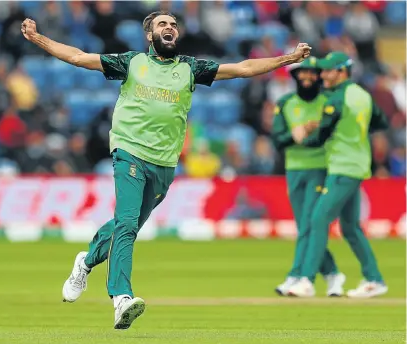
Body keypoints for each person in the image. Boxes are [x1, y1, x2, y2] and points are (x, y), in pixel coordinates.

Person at [21, 11, 312, 329]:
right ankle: (121, 298)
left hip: (164, 164)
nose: (170, 27)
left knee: (125, 225)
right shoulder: (131, 63)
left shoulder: (190, 68)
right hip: (129, 153)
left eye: (174, 24)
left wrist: (288, 58)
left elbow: (242, 68)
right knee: (129, 224)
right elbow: (77, 57)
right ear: (149, 35)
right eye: (162, 24)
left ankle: (86, 261)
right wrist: (38, 38)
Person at [287, 52, 388, 298]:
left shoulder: (336, 99)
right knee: (351, 227)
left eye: (327, 71)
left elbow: (319, 138)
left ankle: (307, 280)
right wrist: (353, 134)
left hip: (342, 166)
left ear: (341, 71)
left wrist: (298, 137)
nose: (322, 75)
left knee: (318, 219)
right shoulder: (362, 94)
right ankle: (374, 279)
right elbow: (381, 121)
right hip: (357, 163)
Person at [271, 57, 346, 297]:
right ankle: (333, 274)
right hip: (294, 169)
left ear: (319, 76)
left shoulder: (328, 102)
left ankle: (296, 275)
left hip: (321, 167)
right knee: (306, 225)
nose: (307, 78)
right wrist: (298, 134)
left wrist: (318, 130)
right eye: (302, 73)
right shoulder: (285, 103)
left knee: (309, 225)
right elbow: (278, 140)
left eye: (312, 74)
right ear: (295, 77)